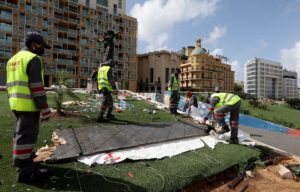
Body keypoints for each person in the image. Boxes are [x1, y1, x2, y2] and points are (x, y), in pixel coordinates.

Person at [6, 32, 51, 183]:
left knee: (20, 134)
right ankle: (25, 170)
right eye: (42, 46)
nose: (43, 50)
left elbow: (9, 85)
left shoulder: (13, 59)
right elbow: (37, 87)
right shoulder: (33, 58)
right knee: (26, 136)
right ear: (34, 45)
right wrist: (44, 109)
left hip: (15, 104)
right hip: (28, 104)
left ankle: (24, 157)